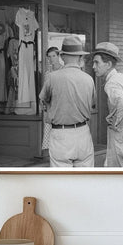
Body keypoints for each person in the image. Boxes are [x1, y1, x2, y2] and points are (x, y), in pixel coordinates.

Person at [39, 35, 96, 167]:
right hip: (83, 132)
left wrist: (50, 108)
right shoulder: (89, 79)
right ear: (80, 57)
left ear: (62, 56)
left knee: (62, 181)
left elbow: (43, 101)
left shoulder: (52, 78)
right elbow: (92, 104)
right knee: (85, 181)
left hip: (61, 134)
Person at [41, 46, 64, 151]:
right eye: (49, 57)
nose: (51, 59)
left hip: (62, 106)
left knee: (61, 134)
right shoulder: (47, 73)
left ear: (58, 56)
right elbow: (46, 91)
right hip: (50, 106)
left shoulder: (64, 70)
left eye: (54, 56)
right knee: (50, 134)